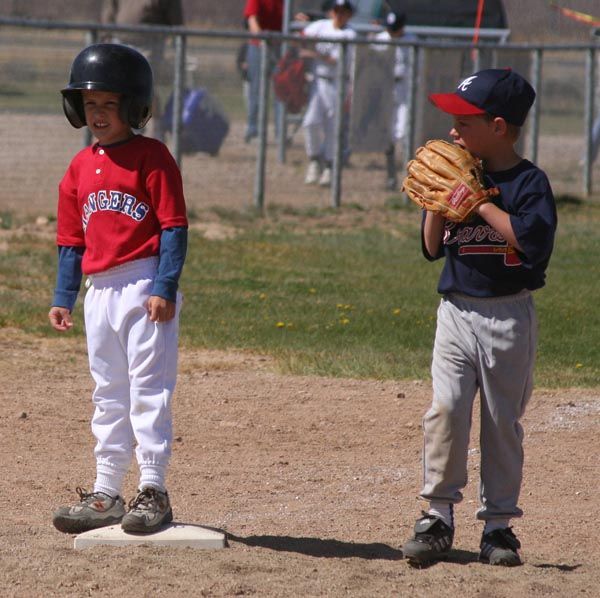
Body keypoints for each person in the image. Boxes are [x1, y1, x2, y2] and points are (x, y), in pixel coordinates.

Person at [401, 68, 557, 567]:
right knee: (445, 407)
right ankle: (438, 514)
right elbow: (430, 248)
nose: (452, 132)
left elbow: (531, 241)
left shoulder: (529, 183)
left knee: (500, 422)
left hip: (508, 316)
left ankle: (498, 528)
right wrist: (439, 203)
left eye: (462, 123)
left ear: (497, 126)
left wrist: (480, 204)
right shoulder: (458, 171)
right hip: (456, 311)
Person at [49, 43, 188, 535]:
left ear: (133, 106)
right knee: (108, 391)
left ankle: (153, 488)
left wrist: (165, 286)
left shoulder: (153, 156)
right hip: (99, 291)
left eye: (109, 103)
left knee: (148, 388)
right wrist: (64, 297)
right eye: (90, 104)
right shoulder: (79, 167)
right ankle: (107, 490)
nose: (99, 114)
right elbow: (71, 241)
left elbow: (173, 226)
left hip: (143, 283)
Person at [101, 0, 184, 141]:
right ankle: (130, 128)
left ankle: (156, 127)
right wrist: (106, 34)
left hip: (151, 42)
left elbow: (175, 18)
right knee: (121, 87)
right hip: (121, 40)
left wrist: (177, 39)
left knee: (145, 87)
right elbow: (110, 9)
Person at [300, 0, 356, 187]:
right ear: (331, 12)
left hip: (338, 84)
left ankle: (330, 166)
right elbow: (302, 36)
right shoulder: (321, 26)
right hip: (318, 81)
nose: (339, 14)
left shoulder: (349, 34)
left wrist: (313, 53)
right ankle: (315, 160)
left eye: (344, 11)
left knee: (333, 127)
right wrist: (301, 23)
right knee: (310, 122)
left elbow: (334, 60)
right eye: (337, 10)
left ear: (349, 14)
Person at [372, 10, 416, 190]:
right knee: (388, 134)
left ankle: (407, 176)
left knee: (403, 132)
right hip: (385, 88)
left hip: (405, 89)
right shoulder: (380, 39)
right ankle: (391, 175)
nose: (391, 32)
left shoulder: (411, 40)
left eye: (395, 29)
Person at [243, 0, 284, 143]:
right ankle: (253, 130)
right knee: (256, 90)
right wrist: (261, 40)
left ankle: (281, 133)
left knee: (281, 91)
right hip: (259, 47)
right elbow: (251, 19)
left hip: (279, 47)